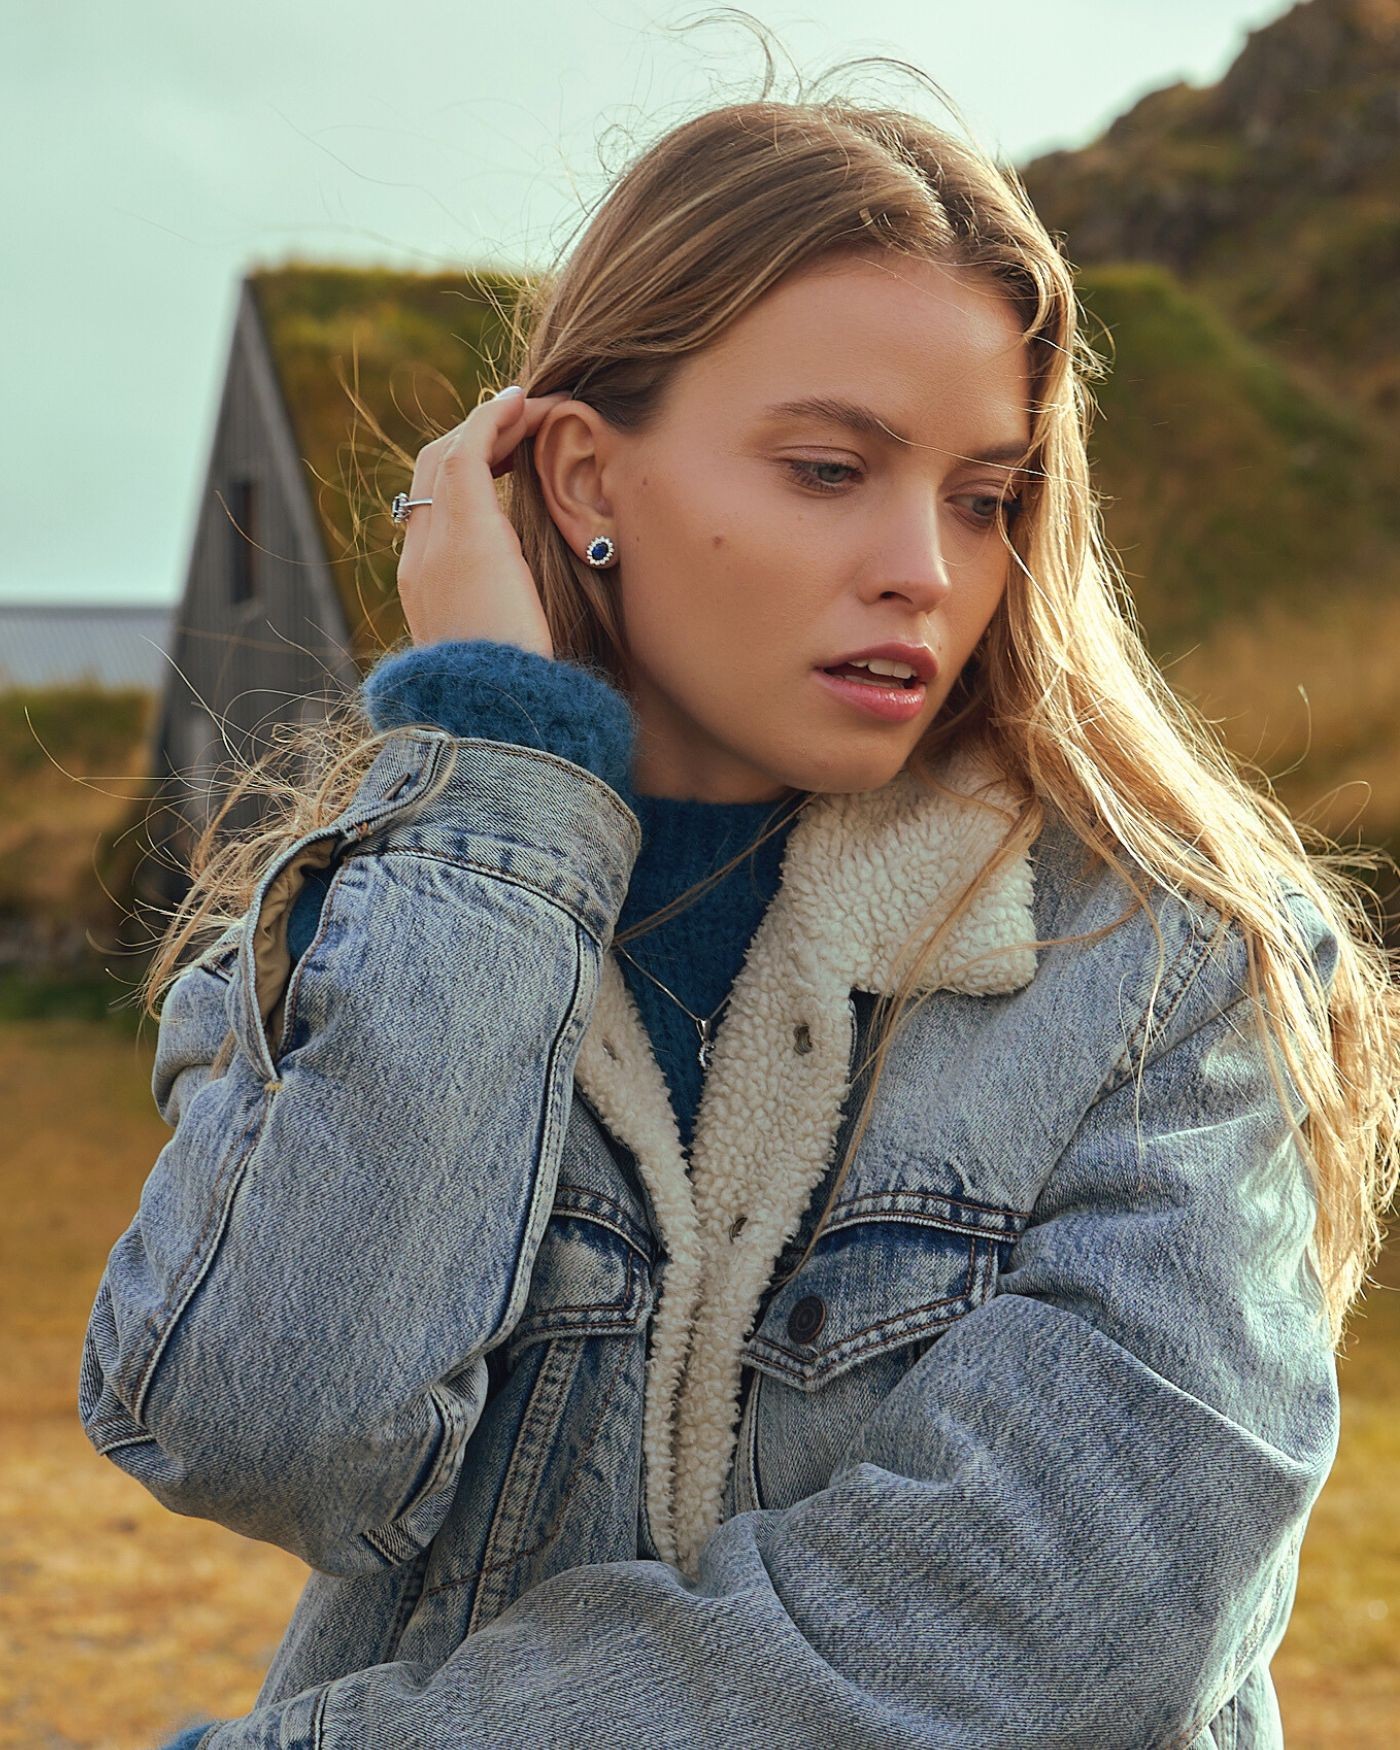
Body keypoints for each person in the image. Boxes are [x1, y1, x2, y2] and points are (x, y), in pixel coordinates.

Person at [84, 72, 1397, 1750]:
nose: (926, 564)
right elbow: (266, 1424)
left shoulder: (1162, 964)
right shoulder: (385, 909)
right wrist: (498, 770)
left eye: (985, 496)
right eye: (831, 467)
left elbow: (1046, 1617)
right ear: (579, 480)